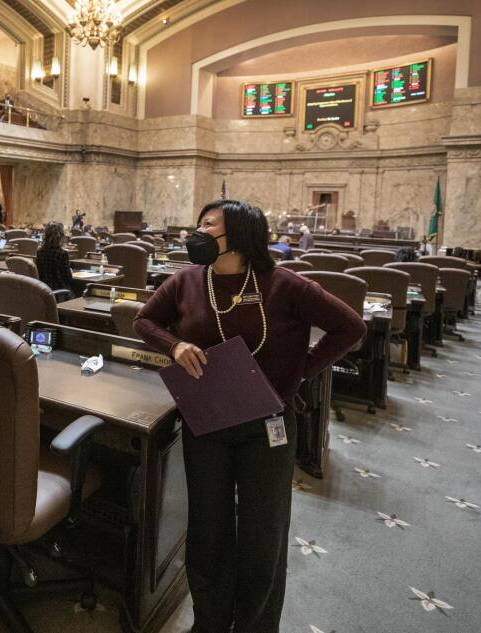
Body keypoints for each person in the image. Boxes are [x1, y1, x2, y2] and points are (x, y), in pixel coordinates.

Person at [133, 199, 365, 633]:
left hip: (267, 427)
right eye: (198, 224)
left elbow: (351, 327)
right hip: (208, 420)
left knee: (263, 536)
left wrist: (299, 374)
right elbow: (145, 322)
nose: (196, 233)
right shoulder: (186, 281)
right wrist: (175, 346)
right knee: (208, 532)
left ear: (238, 235)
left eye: (208, 225)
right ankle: (210, 623)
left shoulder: (284, 284)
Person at [36, 221, 73, 295]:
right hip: (59, 290)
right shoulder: (62, 253)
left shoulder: (39, 252)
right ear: (61, 236)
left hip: (43, 289)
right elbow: (68, 278)